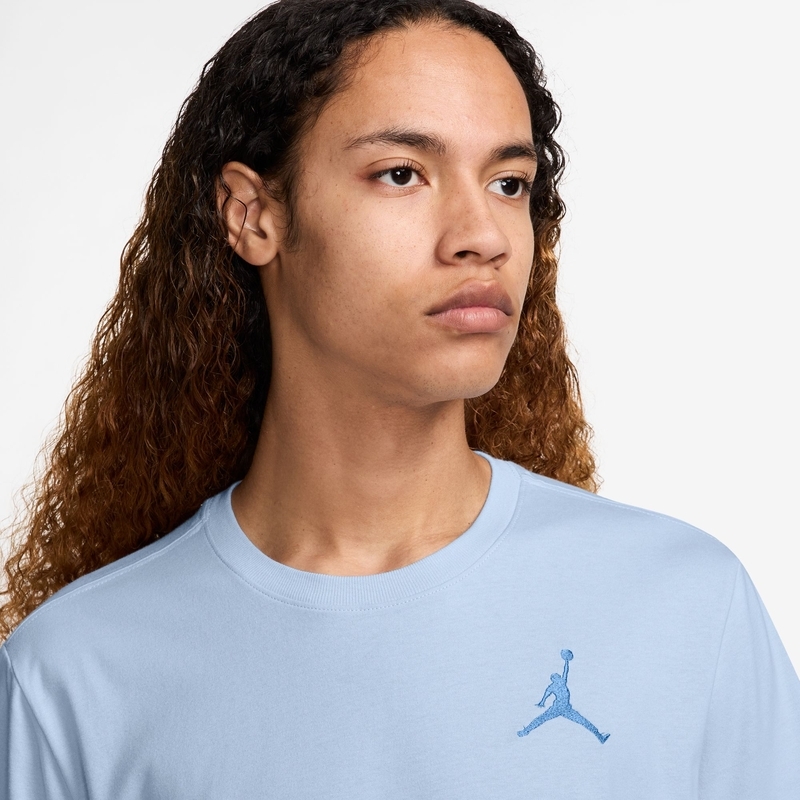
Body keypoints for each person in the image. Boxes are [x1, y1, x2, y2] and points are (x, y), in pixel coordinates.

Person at [1, 0, 798, 796]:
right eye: (402, 174)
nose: (483, 235)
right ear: (253, 214)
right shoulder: (73, 677)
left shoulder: (687, 608)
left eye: (509, 183)